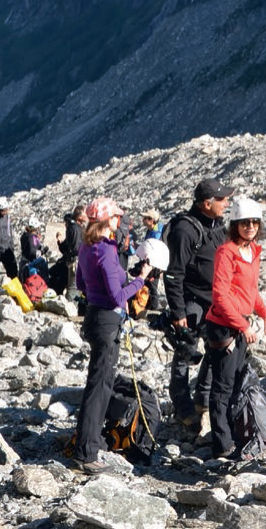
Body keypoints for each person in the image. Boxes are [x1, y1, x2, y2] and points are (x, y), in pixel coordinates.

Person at [72, 198, 151, 474]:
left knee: (95, 385)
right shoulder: (106, 251)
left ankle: (86, 446)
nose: (120, 221)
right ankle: (87, 453)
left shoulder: (86, 247)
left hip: (93, 316)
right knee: (100, 387)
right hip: (107, 321)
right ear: (110, 221)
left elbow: (81, 283)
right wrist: (141, 280)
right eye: (117, 217)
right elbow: (118, 296)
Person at [204, 198, 266, 460]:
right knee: (222, 386)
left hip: (239, 325)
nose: (251, 227)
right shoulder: (227, 252)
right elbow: (220, 295)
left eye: (255, 222)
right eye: (245, 223)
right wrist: (243, 325)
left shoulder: (253, 251)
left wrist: (264, 313)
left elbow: (251, 290)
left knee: (235, 383)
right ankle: (221, 444)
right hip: (224, 328)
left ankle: (234, 434)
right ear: (235, 224)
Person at [163, 177, 231, 429]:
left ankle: (202, 399)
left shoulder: (217, 226)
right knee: (184, 354)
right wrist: (178, 311)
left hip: (216, 301)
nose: (226, 203)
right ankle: (183, 409)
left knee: (216, 351)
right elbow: (173, 273)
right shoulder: (185, 230)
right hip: (191, 302)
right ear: (206, 203)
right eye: (222, 199)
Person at [57, 205, 86, 294]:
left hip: (73, 259)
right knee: (74, 286)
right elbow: (76, 247)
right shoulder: (76, 229)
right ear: (79, 216)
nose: (86, 216)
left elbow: (65, 247)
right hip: (76, 260)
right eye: (85, 214)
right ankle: (70, 305)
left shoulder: (73, 227)